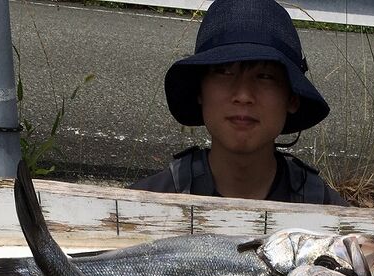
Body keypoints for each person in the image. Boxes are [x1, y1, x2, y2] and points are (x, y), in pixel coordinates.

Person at [131, 0, 347, 206]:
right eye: (224, 71)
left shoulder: (334, 224)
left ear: (292, 97)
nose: (243, 95)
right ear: (200, 90)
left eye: (265, 76)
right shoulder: (135, 208)